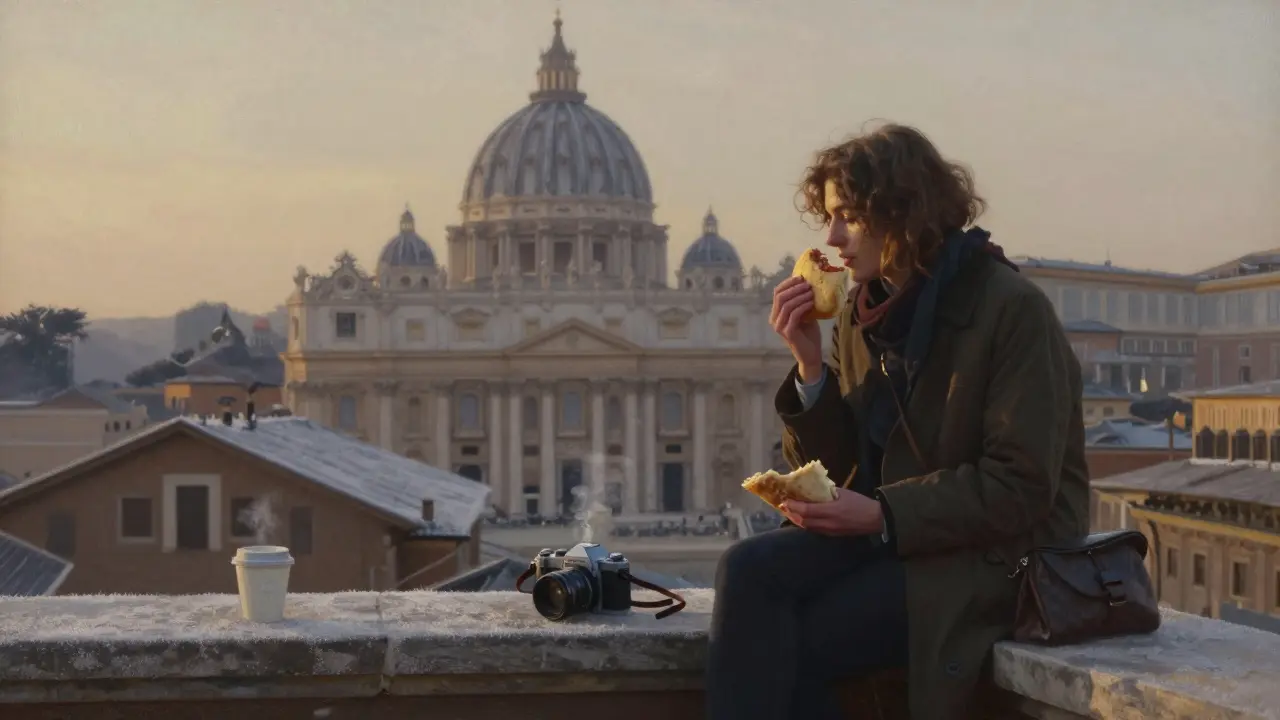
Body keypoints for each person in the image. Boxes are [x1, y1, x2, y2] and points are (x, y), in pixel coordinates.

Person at [705, 123, 1091, 720]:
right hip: (899, 537)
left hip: (994, 555)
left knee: (804, 635)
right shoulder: (862, 314)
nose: (830, 238)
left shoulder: (1013, 310)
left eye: (847, 216)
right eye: (827, 218)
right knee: (746, 568)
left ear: (903, 212)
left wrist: (884, 514)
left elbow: (1022, 487)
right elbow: (843, 467)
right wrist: (809, 366)